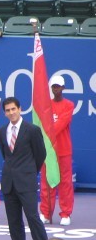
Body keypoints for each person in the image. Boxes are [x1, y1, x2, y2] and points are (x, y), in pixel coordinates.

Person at [0, 97, 47, 240]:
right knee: (14, 222)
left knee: (33, 218)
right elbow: (6, 155)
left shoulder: (32, 130)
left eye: (13, 109)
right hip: (9, 183)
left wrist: (28, 172)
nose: (11, 113)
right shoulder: (1, 131)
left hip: (26, 182)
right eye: (8, 110)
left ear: (20, 109)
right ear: (5, 112)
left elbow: (40, 155)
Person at [39, 75, 74, 226]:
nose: (56, 89)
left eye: (58, 86)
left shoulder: (69, 105)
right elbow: (42, 125)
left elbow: (60, 124)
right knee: (46, 183)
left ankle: (65, 213)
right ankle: (46, 213)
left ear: (63, 88)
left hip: (64, 150)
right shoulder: (45, 105)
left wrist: (49, 129)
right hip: (48, 151)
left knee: (65, 183)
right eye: (53, 86)